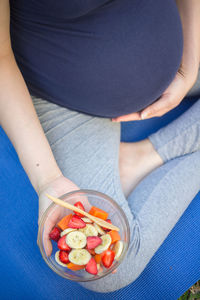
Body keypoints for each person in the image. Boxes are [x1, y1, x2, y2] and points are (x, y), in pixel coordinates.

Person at [0, 0, 200, 293]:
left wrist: (189, 65)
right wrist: (49, 181)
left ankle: (144, 156)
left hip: (182, 38)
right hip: (65, 99)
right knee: (115, 267)